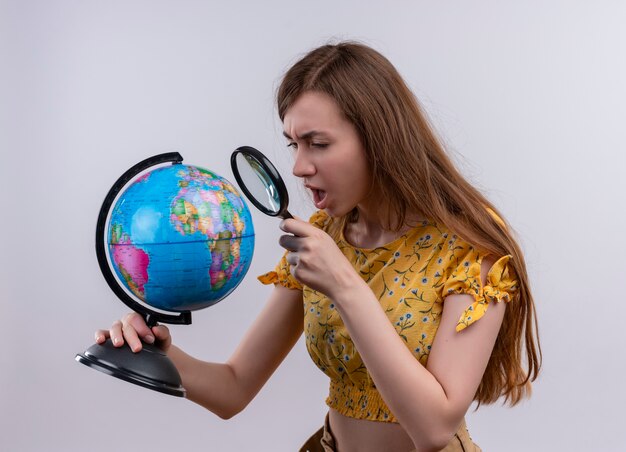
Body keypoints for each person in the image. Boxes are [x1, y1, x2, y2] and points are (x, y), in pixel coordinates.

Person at [95, 41, 541, 452]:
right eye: (293, 144)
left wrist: (345, 286)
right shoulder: (324, 233)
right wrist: (159, 351)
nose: (299, 166)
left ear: (379, 140)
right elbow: (233, 388)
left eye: (318, 144)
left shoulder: (467, 249)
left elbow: (434, 428)